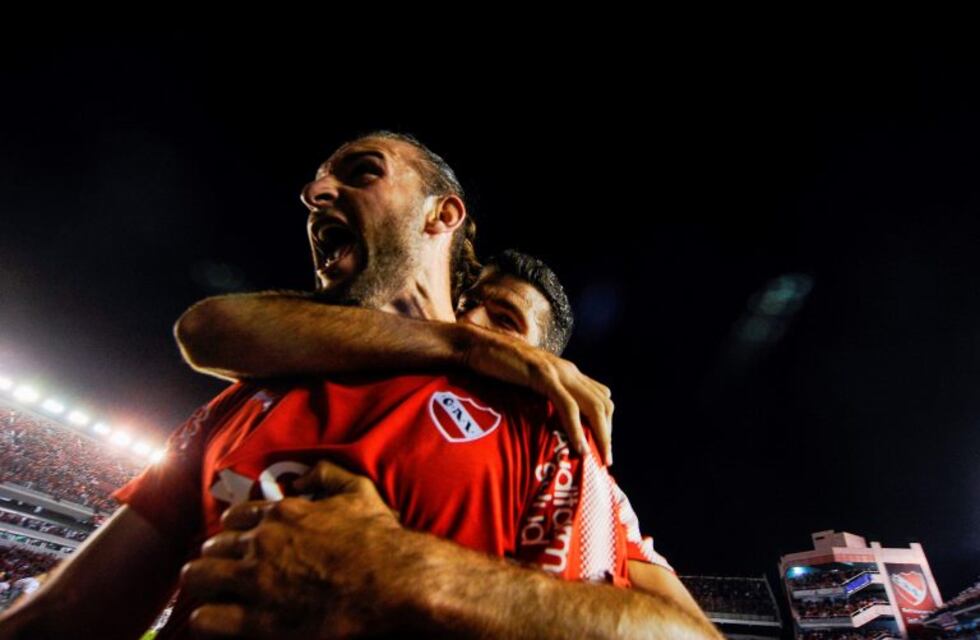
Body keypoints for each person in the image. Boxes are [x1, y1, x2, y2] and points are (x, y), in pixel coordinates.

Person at [0, 132, 720, 639]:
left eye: (362, 171)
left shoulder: (540, 426)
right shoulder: (246, 400)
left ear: (444, 214)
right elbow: (63, 621)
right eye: (316, 182)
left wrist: (410, 577)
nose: (315, 194)